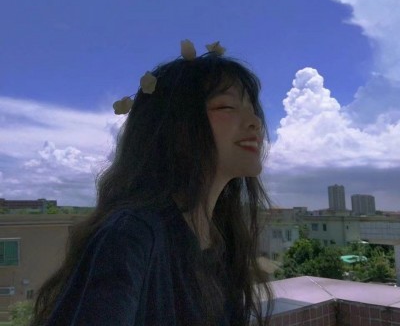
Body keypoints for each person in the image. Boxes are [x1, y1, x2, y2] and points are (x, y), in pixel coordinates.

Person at [30, 40, 273, 326]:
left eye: (252, 108)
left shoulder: (219, 238)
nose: (255, 122)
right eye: (227, 106)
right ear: (174, 126)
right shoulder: (130, 236)